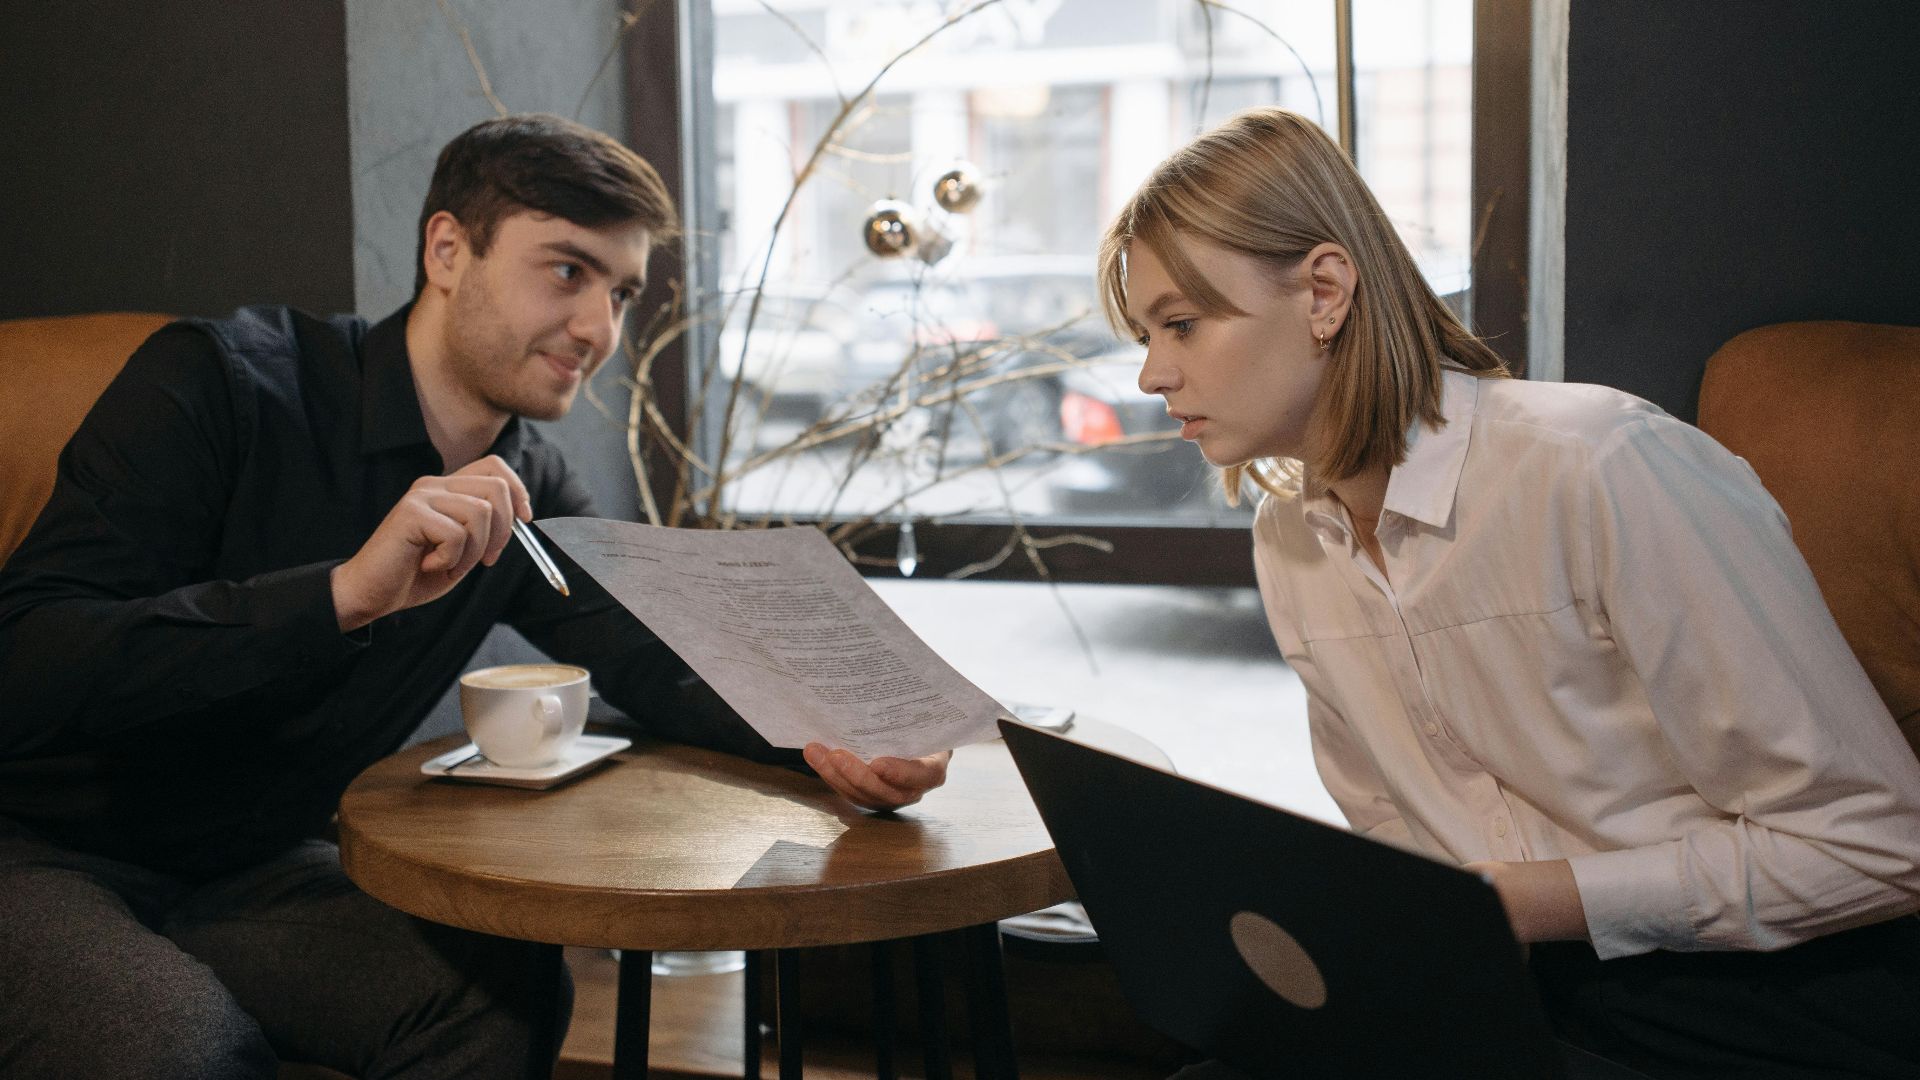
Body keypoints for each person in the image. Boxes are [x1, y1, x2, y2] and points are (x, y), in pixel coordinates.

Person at [0, 113, 949, 1080]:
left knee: (502, 998)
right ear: (448, 250)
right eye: (568, 271)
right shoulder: (219, 383)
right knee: (170, 1047)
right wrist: (339, 596)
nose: (600, 330)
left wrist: (836, 734)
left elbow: (660, 660)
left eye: (621, 293)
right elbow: (25, 654)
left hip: (250, 874)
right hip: (38, 850)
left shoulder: (526, 488)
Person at [1097, 106, 1920, 1079]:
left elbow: (1879, 844)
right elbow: (1390, 823)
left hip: (1755, 999)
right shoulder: (1290, 544)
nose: (1151, 374)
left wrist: (1539, 901)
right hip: (1508, 985)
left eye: (1182, 325)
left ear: (1324, 291)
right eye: (1145, 334)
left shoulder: (1603, 465)